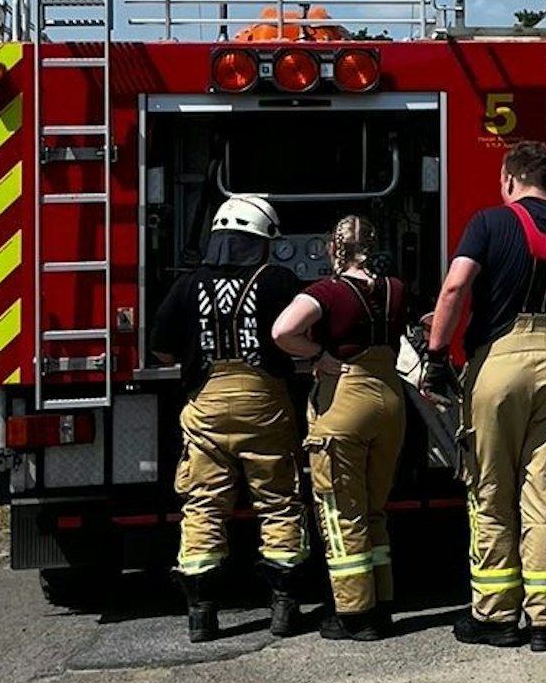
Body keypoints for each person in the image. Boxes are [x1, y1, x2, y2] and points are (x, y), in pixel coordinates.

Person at [422, 141, 546, 652]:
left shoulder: (487, 224)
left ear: (510, 180)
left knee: (492, 492)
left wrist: (435, 354)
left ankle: (494, 617)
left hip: (498, 367)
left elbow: (454, 290)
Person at [149, 194, 309, 643]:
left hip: (207, 407)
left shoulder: (188, 284)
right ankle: (283, 608)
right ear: (262, 242)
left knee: (203, 504)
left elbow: (161, 347)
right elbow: (302, 334)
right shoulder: (277, 280)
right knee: (278, 501)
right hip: (265, 405)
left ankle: (201, 613)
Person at [271, 215, 409, 641]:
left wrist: (316, 354)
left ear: (333, 250)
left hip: (345, 402)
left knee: (342, 512)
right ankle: (382, 603)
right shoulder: (396, 289)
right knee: (374, 509)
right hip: (390, 401)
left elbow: (282, 331)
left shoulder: (326, 292)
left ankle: (354, 614)